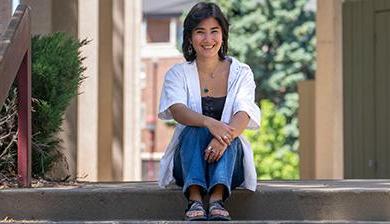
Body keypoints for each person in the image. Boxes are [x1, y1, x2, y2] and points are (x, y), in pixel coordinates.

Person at [158, 2, 260, 221]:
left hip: (229, 160)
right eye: (200, 32)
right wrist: (209, 123)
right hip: (187, 160)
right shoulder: (177, 73)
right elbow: (177, 110)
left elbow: (244, 111)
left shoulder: (241, 72)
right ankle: (194, 198)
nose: (208, 40)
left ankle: (217, 198)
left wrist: (222, 138)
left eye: (214, 31)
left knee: (231, 134)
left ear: (223, 35)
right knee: (193, 130)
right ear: (189, 37)